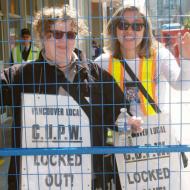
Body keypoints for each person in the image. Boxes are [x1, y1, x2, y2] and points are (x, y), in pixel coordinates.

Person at [0, 5, 142, 190]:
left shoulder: (95, 75)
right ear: (43, 36)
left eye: (71, 34)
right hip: (37, 181)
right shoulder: (22, 75)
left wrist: (129, 122)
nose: (64, 41)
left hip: (86, 179)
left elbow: (117, 113)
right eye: (56, 34)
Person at [95, 3, 190, 190]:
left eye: (137, 25)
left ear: (145, 29)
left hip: (156, 139)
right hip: (121, 142)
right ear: (114, 28)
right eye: (123, 24)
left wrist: (186, 58)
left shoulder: (159, 56)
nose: (130, 30)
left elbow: (183, 84)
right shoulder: (102, 63)